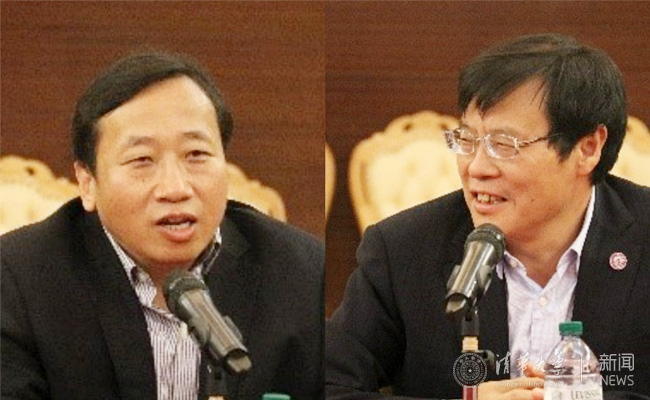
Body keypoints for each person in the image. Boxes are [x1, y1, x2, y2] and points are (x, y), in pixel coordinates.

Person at [326, 34, 650, 399]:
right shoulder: (403, 249)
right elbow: (330, 385)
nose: (476, 168)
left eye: (504, 145)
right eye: (467, 140)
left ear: (587, 149)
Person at [1, 51, 324, 400]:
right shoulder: (19, 281)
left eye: (196, 155)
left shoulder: (303, 273)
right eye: (142, 160)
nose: (175, 188)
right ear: (88, 182)